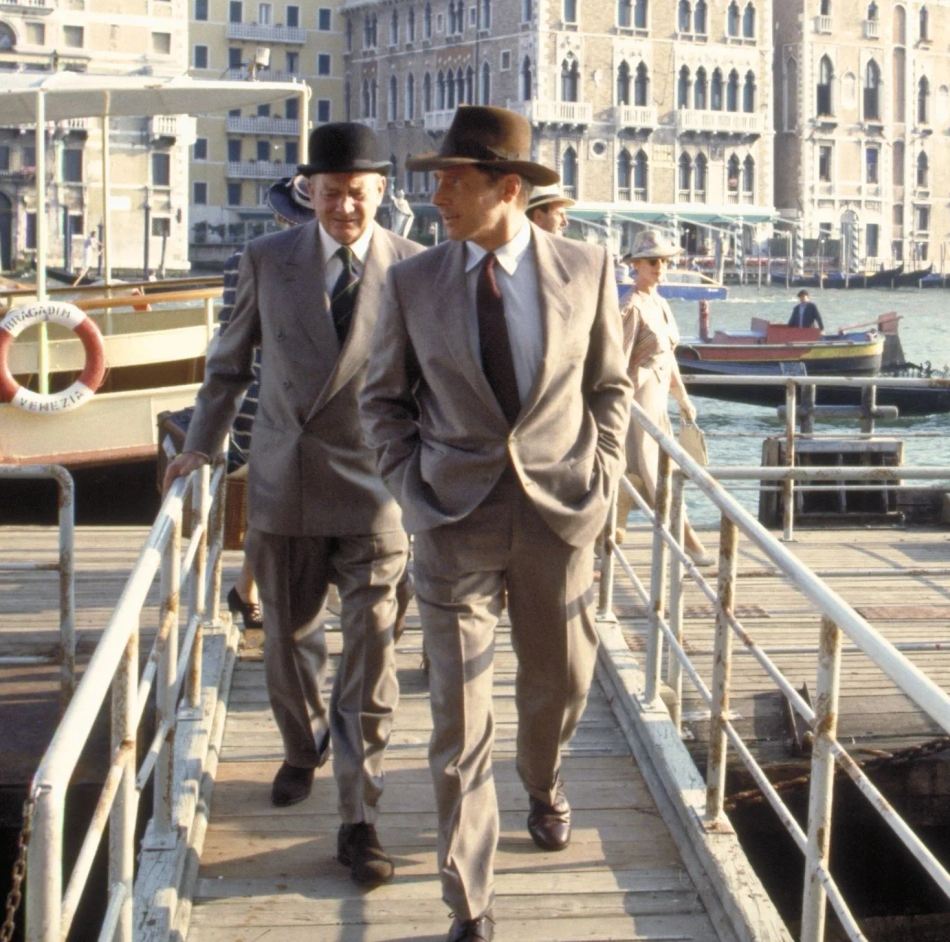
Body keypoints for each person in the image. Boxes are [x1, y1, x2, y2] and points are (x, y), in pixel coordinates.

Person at [359, 107, 631, 942]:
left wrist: (608, 475)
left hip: (560, 514)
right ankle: (468, 904)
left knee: (562, 682)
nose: (434, 193)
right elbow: (382, 401)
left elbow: (611, 388)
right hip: (450, 520)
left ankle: (543, 784)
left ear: (507, 188)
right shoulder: (411, 281)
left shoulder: (588, 268)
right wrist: (409, 487)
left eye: (453, 179)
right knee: (458, 714)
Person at [163, 123, 424, 888]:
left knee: (372, 653)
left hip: (378, 490)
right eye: (333, 192)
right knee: (289, 643)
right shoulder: (265, 260)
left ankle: (359, 817)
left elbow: (436, 379)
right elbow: (228, 365)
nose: (347, 206)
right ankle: (300, 743)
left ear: (382, 194)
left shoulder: (413, 268)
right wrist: (203, 447)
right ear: (308, 191)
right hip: (286, 478)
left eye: (361, 193)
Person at [217, 174, 318, 630]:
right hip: (269, 400)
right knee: (272, 502)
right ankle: (253, 591)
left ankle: (251, 590)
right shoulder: (251, 259)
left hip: (327, 406)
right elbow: (233, 339)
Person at [620, 228, 707, 559]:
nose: (660, 267)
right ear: (637, 265)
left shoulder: (660, 303)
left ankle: (607, 538)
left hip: (658, 400)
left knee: (642, 475)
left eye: (664, 261)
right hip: (636, 402)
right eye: (653, 261)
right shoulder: (630, 307)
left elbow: (667, 356)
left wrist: (682, 398)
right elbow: (616, 362)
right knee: (657, 475)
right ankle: (688, 540)